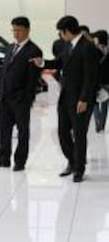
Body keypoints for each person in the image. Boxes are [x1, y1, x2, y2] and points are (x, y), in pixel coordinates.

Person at [31, 16, 99, 182]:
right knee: (62, 133)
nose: (60, 36)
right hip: (66, 97)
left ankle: (79, 169)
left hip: (81, 100)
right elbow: (58, 63)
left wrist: (84, 99)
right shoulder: (67, 45)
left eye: (61, 32)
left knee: (79, 134)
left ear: (66, 31)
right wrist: (42, 63)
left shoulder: (87, 47)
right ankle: (72, 161)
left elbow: (91, 77)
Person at [0, 16, 42, 171]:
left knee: (22, 132)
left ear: (27, 30)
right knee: (4, 130)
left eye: (19, 30)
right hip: (5, 97)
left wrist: (27, 97)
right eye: (14, 30)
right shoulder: (10, 48)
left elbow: (33, 78)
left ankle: (20, 161)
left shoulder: (34, 50)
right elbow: (4, 71)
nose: (16, 33)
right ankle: (3, 158)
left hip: (20, 99)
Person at [92, 30, 109, 132]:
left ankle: (98, 124)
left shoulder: (94, 51)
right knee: (105, 103)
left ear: (98, 39)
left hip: (96, 80)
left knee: (95, 102)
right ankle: (101, 125)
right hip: (107, 81)